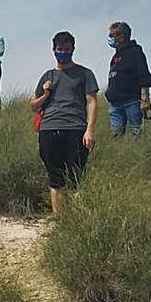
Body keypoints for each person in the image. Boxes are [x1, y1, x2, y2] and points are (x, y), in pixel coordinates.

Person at [31, 31, 98, 215]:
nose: (63, 52)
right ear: (53, 49)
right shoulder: (48, 75)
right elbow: (33, 105)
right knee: (55, 178)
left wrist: (90, 130)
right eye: (60, 49)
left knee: (76, 177)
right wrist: (45, 94)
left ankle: (76, 219)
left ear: (73, 49)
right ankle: (58, 218)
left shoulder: (84, 73)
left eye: (67, 49)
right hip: (49, 129)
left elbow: (92, 101)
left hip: (76, 129)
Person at [105, 22, 151, 138]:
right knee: (116, 136)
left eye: (112, 36)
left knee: (136, 134)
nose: (110, 39)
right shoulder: (116, 56)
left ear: (121, 37)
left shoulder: (135, 52)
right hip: (115, 103)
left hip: (132, 102)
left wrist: (144, 99)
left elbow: (144, 76)